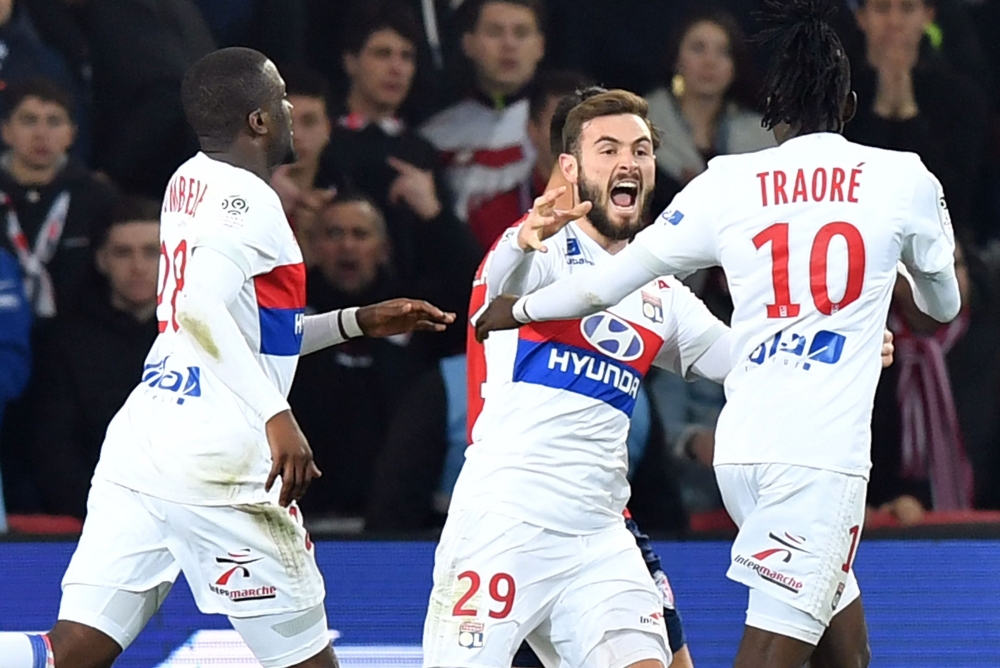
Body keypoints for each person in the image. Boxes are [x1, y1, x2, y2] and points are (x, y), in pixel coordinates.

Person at [473, 1, 956, 666]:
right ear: (847, 102)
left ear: (770, 108)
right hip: (817, 460)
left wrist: (520, 310)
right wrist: (892, 278)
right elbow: (943, 304)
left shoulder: (727, 180)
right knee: (770, 653)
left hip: (742, 455)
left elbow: (612, 281)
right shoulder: (903, 176)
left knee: (847, 653)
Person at [0, 47, 455, 668]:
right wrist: (276, 414)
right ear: (260, 121)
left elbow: (243, 332)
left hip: (144, 445)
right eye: (282, 97)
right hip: (219, 466)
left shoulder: (188, 179)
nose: (292, 109)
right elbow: (199, 310)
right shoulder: (251, 200)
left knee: (69, 652)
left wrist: (355, 322)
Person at [30, 195, 162, 519]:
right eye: (122, 253)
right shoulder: (64, 343)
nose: (138, 266)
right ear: (101, 259)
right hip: (94, 520)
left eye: (152, 252)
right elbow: (54, 452)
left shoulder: (203, 338)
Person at [420, 0, 546, 249]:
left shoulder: (572, 127)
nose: (509, 44)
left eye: (521, 33)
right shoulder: (435, 136)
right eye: (495, 32)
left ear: (540, 46)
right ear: (468, 44)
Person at [645, 7, 774, 187]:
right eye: (698, 48)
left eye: (723, 52)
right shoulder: (643, 125)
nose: (710, 61)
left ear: (735, 67)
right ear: (676, 60)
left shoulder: (762, 138)